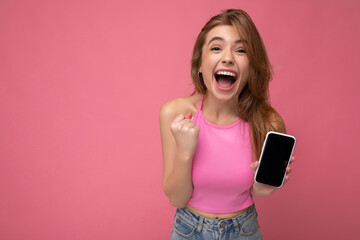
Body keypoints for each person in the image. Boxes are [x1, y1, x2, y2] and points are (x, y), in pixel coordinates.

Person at [159, 9, 295, 240]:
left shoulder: (268, 121)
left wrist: (262, 189)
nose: (228, 57)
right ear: (200, 65)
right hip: (189, 231)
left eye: (241, 50)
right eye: (216, 47)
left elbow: (255, 191)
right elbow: (176, 199)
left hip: (245, 230)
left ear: (251, 68)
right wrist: (184, 152)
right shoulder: (176, 113)